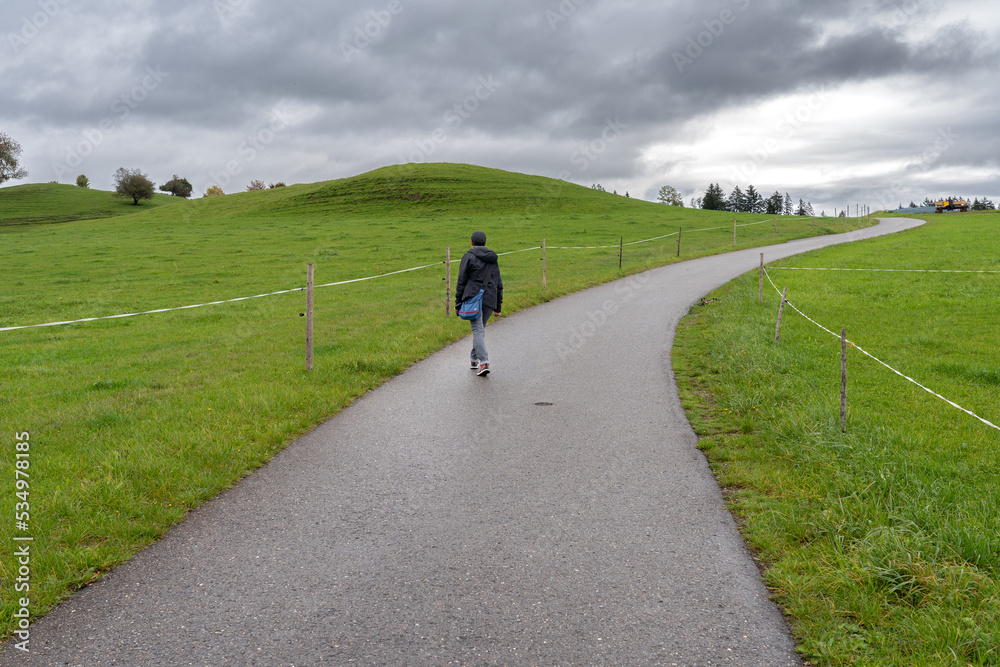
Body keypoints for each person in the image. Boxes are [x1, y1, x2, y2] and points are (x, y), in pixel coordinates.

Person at [455, 231, 503, 376]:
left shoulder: (468, 256)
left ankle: (484, 362)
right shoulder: (492, 259)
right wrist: (498, 306)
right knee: (479, 330)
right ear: (485, 243)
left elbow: (461, 282)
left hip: (473, 298)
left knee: (478, 331)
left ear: (471, 242)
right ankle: (474, 359)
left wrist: (458, 303)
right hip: (489, 299)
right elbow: (499, 283)